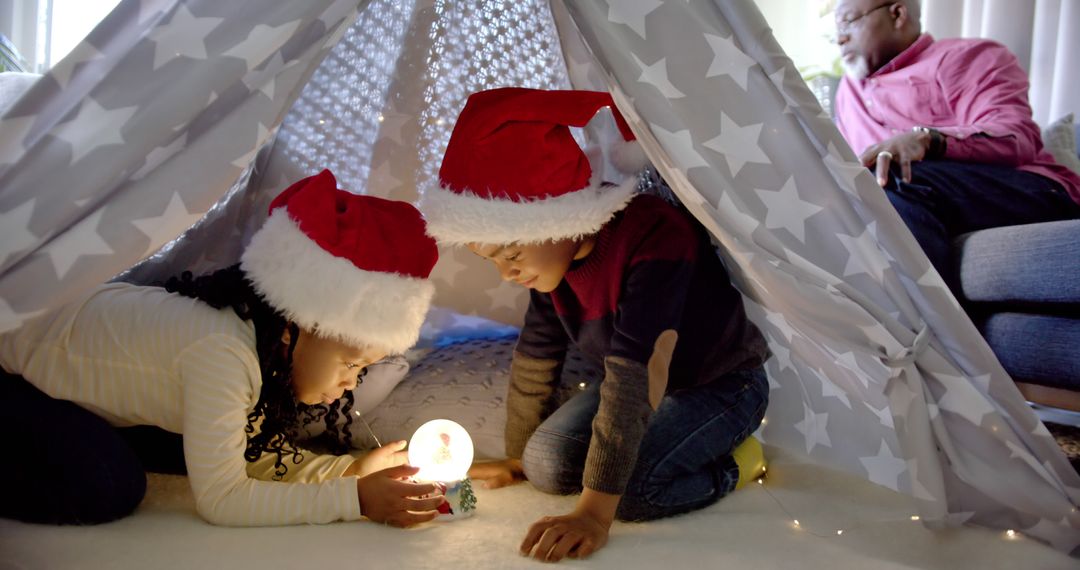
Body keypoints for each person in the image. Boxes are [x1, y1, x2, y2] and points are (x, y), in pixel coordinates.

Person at [419, 88, 770, 562]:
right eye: (492, 260)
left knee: (628, 494)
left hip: (718, 384)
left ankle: (737, 464)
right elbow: (536, 355)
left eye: (512, 254)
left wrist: (593, 513)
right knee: (543, 466)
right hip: (637, 386)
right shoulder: (551, 267)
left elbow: (636, 373)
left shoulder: (653, 235)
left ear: (556, 220)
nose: (506, 273)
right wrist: (518, 454)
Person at [0, 169, 448, 527]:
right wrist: (356, 500)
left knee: (206, 450)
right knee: (110, 482)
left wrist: (351, 472)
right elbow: (223, 501)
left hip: (62, 381)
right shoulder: (223, 352)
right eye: (350, 362)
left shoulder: (252, 347)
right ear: (294, 328)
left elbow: (257, 457)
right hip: (10, 368)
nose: (351, 382)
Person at [832, 0, 1080, 295]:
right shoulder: (848, 95)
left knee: (896, 174)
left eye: (848, 22)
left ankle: (936, 333)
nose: (840, 38)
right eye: (836, 29)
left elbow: (1018, 137)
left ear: (897, 14)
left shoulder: (968, 57)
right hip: (919, 202)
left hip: (1034, 191)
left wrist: (928, 139)